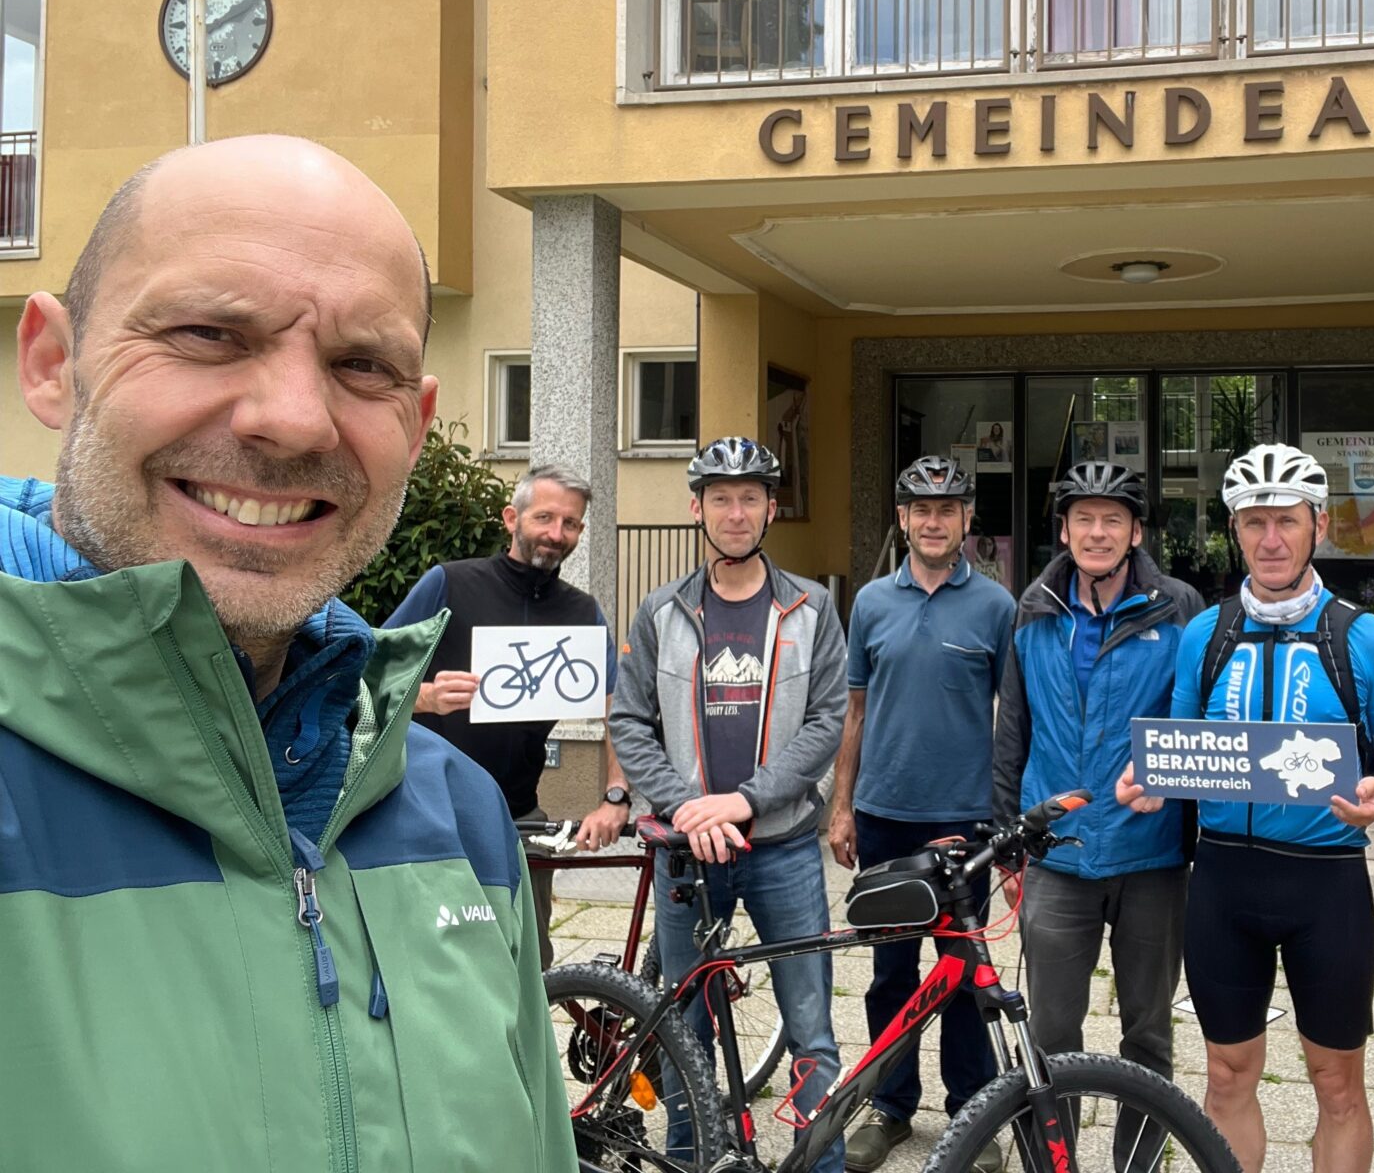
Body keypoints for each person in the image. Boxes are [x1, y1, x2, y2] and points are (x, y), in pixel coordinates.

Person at [0, 135, 572, 1169]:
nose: (296, 420)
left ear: (418, 420)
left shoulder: (460, 819)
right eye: (210, 333)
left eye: (364, 365)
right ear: (53, 363)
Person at [1119, 442, 1374, 1173]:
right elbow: (1182, 745)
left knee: (1337, 1083)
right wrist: (1155, 780)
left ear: (1318, 523)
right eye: (1253, 524)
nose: (1271, 540)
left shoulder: (1364, 638)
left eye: (1286, 521)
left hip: (1328, 886)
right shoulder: (1207, 633)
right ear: (1234, 530)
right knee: (1225, 1074)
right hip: (1224, 881)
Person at [609, 435, 848, 1173]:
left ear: (773, 508)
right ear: (697, 508)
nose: (736, 512)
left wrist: (741, 803)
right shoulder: (660, 611)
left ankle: (822, 1164)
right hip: (689, 854)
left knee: (810, 1030)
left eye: (750, 498)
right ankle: (690, 1160)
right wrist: (687, 809)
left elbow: (826, 722)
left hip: (781, 849)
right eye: (721, 499)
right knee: (687, 1029)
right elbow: (629, 722)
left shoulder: (812, 608)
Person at [828, 455, 1015, 1173]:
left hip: (964, 822)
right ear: (902, 519)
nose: (933, 521)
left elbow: (1012, 719)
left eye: (948, 509)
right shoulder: (873, 601)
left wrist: (1006, 814)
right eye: (920, 509)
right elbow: (854, 711)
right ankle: (891, 1107)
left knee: (966, 974)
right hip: (884, 815)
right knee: (890, 974)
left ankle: (974, 1109)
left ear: (968, 519)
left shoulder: (997, 606)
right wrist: (840, 808)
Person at [992, 461, 1203, 1096]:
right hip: (1057, 855)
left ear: (1137, 532)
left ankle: (1136, 1163)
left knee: (1148, 1036)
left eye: (1114, 519)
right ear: (1064, 530)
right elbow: (1012, 732)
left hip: (1152, 856)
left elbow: (1199, 720)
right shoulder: (1034, 607)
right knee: (1051, 1039)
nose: (1098, 532)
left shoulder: (1179, 607)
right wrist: (1008, 841)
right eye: (1084, 518)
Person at [384, 462, 629, 968]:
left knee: (529, 961)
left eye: (571, 524)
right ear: (510, 518)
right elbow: (367, 668)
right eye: (544, 518)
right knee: (434, 960)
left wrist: (616, 795)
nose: (556, 534)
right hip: (432, 810)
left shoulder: (583, 613)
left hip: (520, 814)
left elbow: (615, 713)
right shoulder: (448, 584)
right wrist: (425, 696)